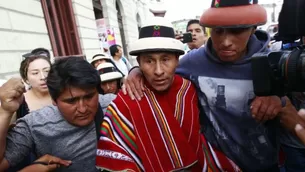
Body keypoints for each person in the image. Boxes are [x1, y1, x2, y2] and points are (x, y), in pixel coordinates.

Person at [123, 0, 284, 171]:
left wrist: (278, 99)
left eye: (237, 30)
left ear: (253, 28)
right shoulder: (194, 61)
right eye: (218, 31)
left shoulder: (274, 61)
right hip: (217, 164)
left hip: (267, 164)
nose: (226, 41)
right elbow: (162, 68)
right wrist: (136, 71)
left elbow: (293, 108)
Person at [96, 17, 240, 172]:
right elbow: (116, 151)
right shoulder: (125, 100)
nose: (158, 71)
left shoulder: (188, 89)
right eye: (149, 61)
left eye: (166, 59)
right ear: (138, 62)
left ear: (178, 60)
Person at [0, 56, 116, 172]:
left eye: (89, 97)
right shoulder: (35, 125)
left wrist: (134, 73)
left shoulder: (114, 106)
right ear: (54, 100)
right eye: (71, 101)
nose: (82, 109)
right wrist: (5, 112)